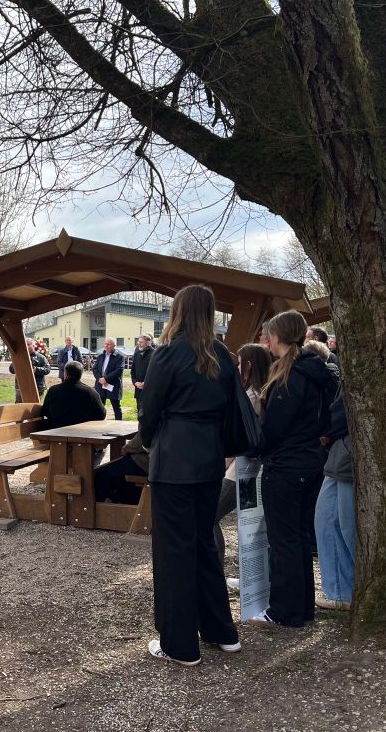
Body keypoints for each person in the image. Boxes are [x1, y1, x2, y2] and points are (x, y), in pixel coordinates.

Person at [139, 284, 241, 666]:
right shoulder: (222, 356)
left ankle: (180, 645)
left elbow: (148, 411)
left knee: (174, 551)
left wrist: (151, 442)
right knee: (202, 544)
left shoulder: (167, 354)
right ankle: (220, 632)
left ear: (179, 312)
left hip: (174, 460)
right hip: (209, 459)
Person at [249, 310, 340, 628]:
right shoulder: (319, 372)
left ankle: (285, 612)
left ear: (277, 337)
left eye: (269, 335)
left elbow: (273, 429)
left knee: (285, 540)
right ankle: (301, 609)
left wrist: (252, 443)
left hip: (286, 467)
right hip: (311, 463)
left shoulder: (291, 377)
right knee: (299, 539)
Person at [213, 343, 271, 566]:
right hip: (246, 468)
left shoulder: (252, 397)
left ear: (248, 366)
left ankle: (215, 566)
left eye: (239, 364)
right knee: (252, 526)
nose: (236, 368)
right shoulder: (263, 392)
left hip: (243, 469)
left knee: (211, 514)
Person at [315, 388, 355, 611]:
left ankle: (345, 590)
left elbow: (343, 411)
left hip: (347, 452)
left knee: (345, 525)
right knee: (327, 521)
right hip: (339, 454)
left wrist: (326, 431)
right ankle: (340, 591)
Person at [40, 361, 105, 430]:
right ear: (81, 374)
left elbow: (45, 411)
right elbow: (101, 414)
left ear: (65, 374)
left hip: (56, 430)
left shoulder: (53, 390)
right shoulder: (90, 392)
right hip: (82, 432)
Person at [94, 432, 147, 505]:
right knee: (116, 467)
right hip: (158, 464)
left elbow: (145, 436)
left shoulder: (153, 420)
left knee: (102, 475)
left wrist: (127, 448)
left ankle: (93, 512)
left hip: (150, 465)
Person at [93, 337, 125, 420]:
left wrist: (106, 379)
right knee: (99, 406)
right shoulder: (100, 356)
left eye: (108, 344)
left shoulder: (120, 357)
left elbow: (119, 370)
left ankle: (119, 424)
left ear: (114, 345)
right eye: (105, 344)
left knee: (116, 407)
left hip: (112, 385)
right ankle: (99, 423)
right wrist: (99, 378)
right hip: (100, 384)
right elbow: (95, 369)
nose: (106, 346)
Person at [131, 333, 155, 402]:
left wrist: (146, 383)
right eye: (138, 342)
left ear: (148, 342)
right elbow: (133, 371)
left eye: (141, 342)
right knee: (139, 410)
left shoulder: (155, 354)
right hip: (138, 389)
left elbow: (156, 372)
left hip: (150, 389)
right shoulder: (137, 354)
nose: (139, 344)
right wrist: (135, 382)